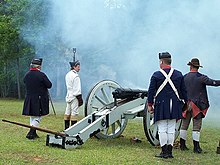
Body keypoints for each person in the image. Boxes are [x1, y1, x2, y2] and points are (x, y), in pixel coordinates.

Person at [147, 52, 188, 158]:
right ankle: (169, 152)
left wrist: (150, 104)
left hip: (161, 104)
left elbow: (151, 91)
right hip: (175, 105)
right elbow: (184, 91)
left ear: (161, 62)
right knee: (171, 128)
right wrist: (186, 104)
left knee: (162, 128)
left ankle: (164, 151)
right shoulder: (178, 74)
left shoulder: (156, 75)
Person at [179, 58, 220, 153]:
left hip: (186, 104)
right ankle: (196, 147)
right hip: (197, 105)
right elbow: (214, 83)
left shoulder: (184, 77)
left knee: (184, 125)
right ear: (198, 67)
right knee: (196, 126)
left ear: (190, 66)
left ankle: (182, 145)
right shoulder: (202, 77)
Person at [22, 58, 52, 140]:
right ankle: (31, 132)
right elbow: (49, 85)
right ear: (38, 66)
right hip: (39, 98)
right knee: (38, 116)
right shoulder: (41, 75)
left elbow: (24, 82)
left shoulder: (27, 74)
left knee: (32, 116)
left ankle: (34, 133)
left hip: (29, 97)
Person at [64, 60, 83, 130]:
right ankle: (73, 130)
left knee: (67, 112)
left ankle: (66, 128)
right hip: (74, 97)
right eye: (78, 67)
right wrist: (80, 99)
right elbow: (77, 90)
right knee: (74, 113)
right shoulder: (75, 76)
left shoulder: (68, 74)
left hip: (69, 95)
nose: (79, 68)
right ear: (74, 67)